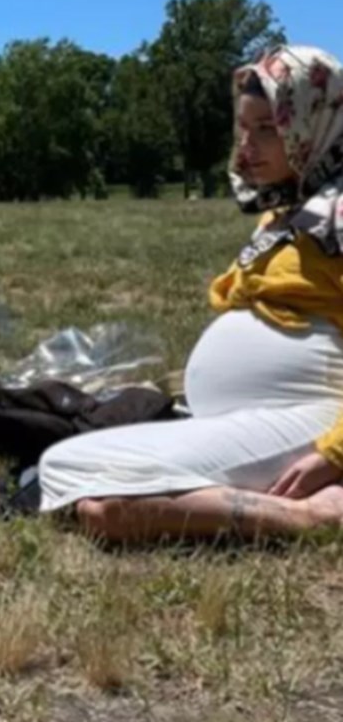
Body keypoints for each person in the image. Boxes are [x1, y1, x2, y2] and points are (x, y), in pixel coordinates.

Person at [38, 45, 343, 543]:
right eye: (244, 129)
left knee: (69, 467)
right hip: (254, 417)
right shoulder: (292, 210)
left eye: (269, 127)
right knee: (67, 466)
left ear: (315, 121)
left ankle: (313, 516)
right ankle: (145, 505)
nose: (249, 145)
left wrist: (331, 455)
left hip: (314, 422)